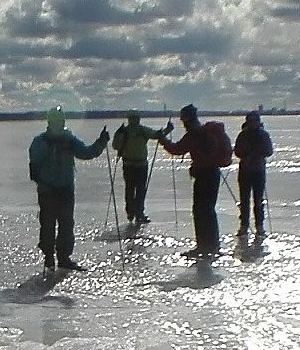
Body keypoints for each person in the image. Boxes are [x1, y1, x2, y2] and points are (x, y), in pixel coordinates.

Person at [28, 106, 110, 271]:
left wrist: (101, 143)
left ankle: (62, 258)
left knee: (65, 225)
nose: (58, 125)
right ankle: (50, 257)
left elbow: (87, 153)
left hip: (64, 190)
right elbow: (34, 165)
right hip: (48, 191)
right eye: (56, 122)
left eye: (60, 122)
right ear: (51, 122)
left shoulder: (68, 140)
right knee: (48, 225)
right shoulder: (41, 142)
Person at [160, 103, 223, 257]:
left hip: (203, 175)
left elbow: (177, 149)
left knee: (200, 210)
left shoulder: (194, 134)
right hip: (213, 172)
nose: (182, 122)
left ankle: (203, 246)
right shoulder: (205, 132)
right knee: (209, 210)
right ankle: (212, 245)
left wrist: (163, 140)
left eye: (183, 119)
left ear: (186, 118)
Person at [112, 112, 172, 224]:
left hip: (134, 165)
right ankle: (136, 213)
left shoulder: (126, 131)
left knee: (133, 190)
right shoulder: (134, 131)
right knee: (136, 190)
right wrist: (167, 130)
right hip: (136, 165)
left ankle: (134, 213)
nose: (135, 120)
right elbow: (157, 135)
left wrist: (167, 130)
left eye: (136, 118)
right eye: (134, 118)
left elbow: (157, 135)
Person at [234, 110, 273, 238]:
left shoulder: (264, 135)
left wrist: (256, 152)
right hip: (245, 171)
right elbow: (238, 152)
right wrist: (248, 153)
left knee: (258, 201)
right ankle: (244, 226)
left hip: (258, 171)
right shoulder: (242, 135)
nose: (252, 123)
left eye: (254, 121)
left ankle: (259, 227)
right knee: (244, 201)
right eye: (250, 121)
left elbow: (269, 151)